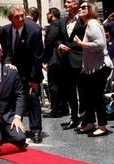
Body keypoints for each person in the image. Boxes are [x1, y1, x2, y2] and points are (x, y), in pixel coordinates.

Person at [3, 6, 44, 143]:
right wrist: (8, 63)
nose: (20, 19)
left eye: (22, 15)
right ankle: (13, 127)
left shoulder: (34, 31)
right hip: (12, 73)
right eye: (16, 16)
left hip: (31, 71)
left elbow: (37, 57)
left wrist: (34, 79)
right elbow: (6, 51)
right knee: (13, 101)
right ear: (10, 18)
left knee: (33, 98)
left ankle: (36, 130)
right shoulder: (5, 30)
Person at [73, 2, 113, 137]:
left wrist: (81, 43)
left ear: (92, 9)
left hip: (100, 67)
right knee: (89, 96)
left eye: (84, 7)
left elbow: (100, 44)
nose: (80, 9)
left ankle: (102, 126)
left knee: (96, 97)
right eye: (80, 7)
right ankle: (90, 123)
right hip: (92, 68)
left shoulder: (92, 24)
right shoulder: (89, 24)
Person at [56, 0, 86, 130]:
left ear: (76, 3)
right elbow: (57, 38)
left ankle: (85, 119)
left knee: (83, 92)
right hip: (66, 62)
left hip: (81, 61)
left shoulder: (84, 20)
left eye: (68, 2)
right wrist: (59, 45)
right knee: (70, 92)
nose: (66, 5)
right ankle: (74, 118)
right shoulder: (62, 21)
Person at [43, 7, 68, 118]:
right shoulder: (62, 23)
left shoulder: (54, 25)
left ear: (52, 14)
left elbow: (49, 41)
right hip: (60, 59)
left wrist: (44, 59)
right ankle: (63, 109)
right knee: (61, 85)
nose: (46, 16)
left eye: (48, 14)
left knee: (53, 86)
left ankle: (56, 110)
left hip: (54, 59)